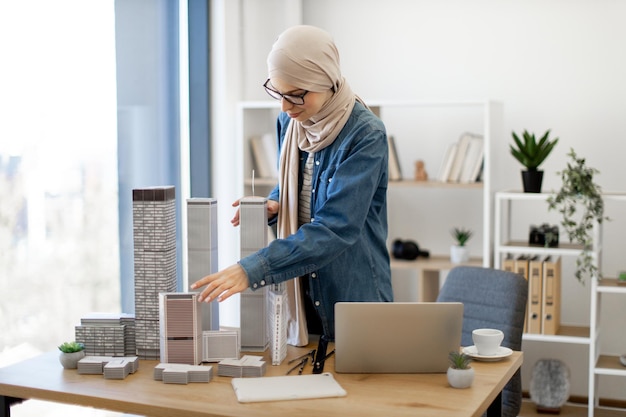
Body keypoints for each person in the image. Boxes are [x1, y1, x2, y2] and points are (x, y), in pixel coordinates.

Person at [191, 25, 393, 342]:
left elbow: (335, 227)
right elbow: (291, 183)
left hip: (351, 295)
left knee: (358, 389)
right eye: (278, 92)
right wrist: (275, 201)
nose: (285, 106)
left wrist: (252, 268)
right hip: (301, 290)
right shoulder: (290, 120)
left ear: (325, 81)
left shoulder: (366, 135)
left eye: (296, 94)